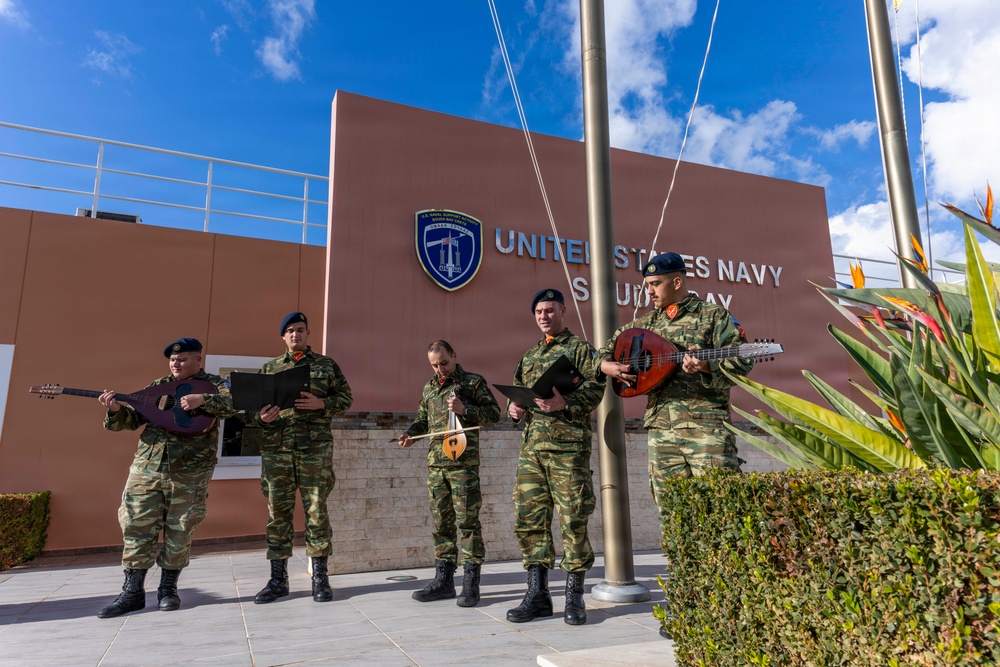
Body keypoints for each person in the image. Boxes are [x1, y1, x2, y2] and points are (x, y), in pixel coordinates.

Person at [596, 252, 752, 637]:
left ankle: (730, 609)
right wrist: (611, 368)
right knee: (674, 518)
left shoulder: (714, 317)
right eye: (647, 285)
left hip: (706, 431)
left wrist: (708, 366)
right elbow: (604, 353)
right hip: (662, 434)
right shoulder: (643, 325)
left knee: (719, 515)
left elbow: (742, 362)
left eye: (655, 284)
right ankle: (686, 606)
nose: (648, 291)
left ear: (677, 282)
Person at [96, 337, 236, 619]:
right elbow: (132, 419)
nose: (175, 363)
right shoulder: (157, 387)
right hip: (147, 468)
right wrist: (114, 410)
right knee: (136, 525)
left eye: (182, 359)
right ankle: (132, 592)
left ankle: (168, 590)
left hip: (190, 471)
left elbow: (233, 403)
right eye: (172, 360)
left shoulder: (214, 385)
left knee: (180, 529)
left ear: (198, 360)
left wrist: (203, 400)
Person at [505, 289, 605, 626]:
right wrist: (514, 408)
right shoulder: (530, 355)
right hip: (532, 452)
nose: (544, 316)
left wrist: (566, 404)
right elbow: (517, 390)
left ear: (563, 310)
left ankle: (574, 598)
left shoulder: (581, 350)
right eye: (539, 312)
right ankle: (537, 596)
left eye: (549, 310)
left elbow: (596, 388)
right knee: (530, 523)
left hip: (568, 452)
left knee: (573, 522)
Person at [248, 312, 352, 604]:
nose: (296, 335)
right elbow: (249, 413)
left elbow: (346, 398)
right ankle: (278, 580)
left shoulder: (326, 365)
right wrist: (262, 417)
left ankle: (320, 578)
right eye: (291, 331)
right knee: (277, 516)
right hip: (277, 452)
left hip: (314, 451)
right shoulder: (269, 369)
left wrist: (323, 403)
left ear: (308, 334)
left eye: (301, 330)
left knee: (317, 513)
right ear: (283, 336)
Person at [398, 340, 500, 607]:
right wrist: (410, 434)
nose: (440, 369)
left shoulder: (473, 383)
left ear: (454, 355)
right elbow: (423, 420)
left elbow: (494, 414)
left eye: (444, 362)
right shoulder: (430, 388)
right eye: (434, 365)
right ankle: (443, 582)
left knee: (468, 525)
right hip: (436, 467)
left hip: (463, 465)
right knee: (441, 526)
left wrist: (465, 410)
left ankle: (470, 584)